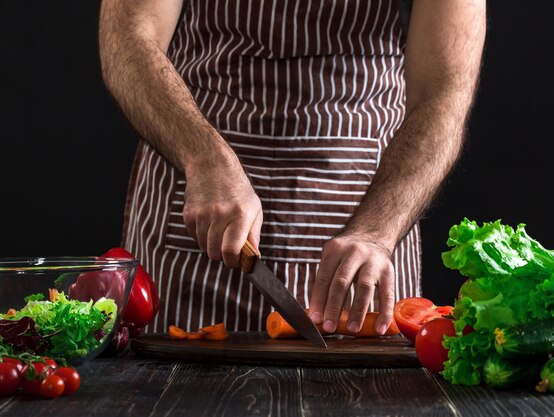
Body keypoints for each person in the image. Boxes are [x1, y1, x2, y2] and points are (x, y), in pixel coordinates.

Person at [98, 0, 486, 336]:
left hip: (366, 212)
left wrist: (377, 231)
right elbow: (129, 40)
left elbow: (444, 92)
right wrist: (203, 158)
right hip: (195, 202)